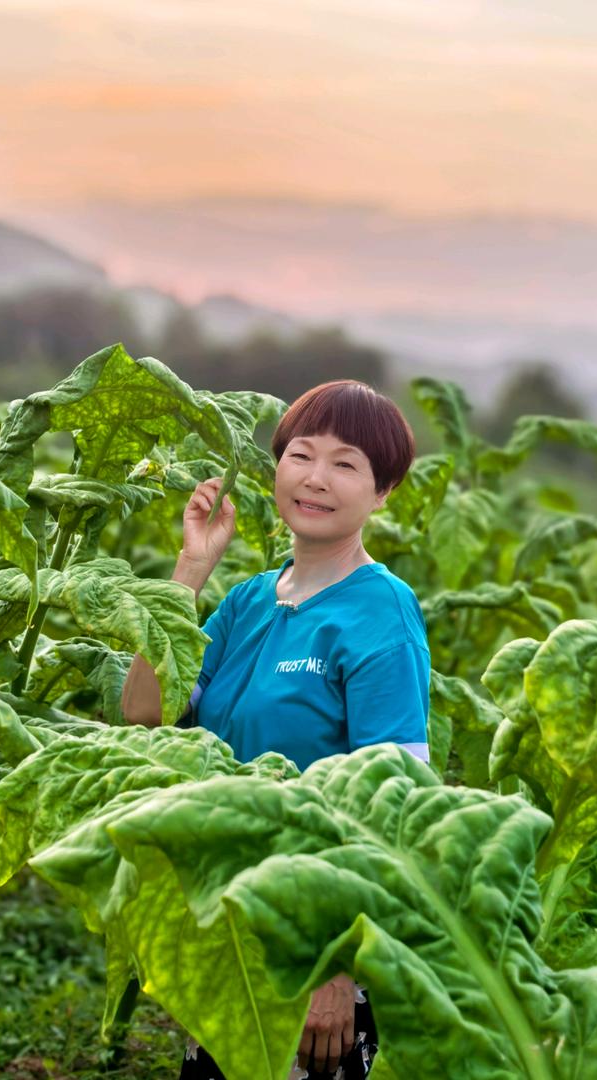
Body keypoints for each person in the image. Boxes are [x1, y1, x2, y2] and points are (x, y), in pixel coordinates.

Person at [121, 379, 431, 1080]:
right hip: (232, 925)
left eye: (346, 464)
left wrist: (335, 967)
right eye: (301, 454)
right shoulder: (246, 601)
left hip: (317, 945)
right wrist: (191, 568)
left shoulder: (382, 612)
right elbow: (144, 711)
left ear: (382, 493)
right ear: (276, 468)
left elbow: (392, 804)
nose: (316, 478)